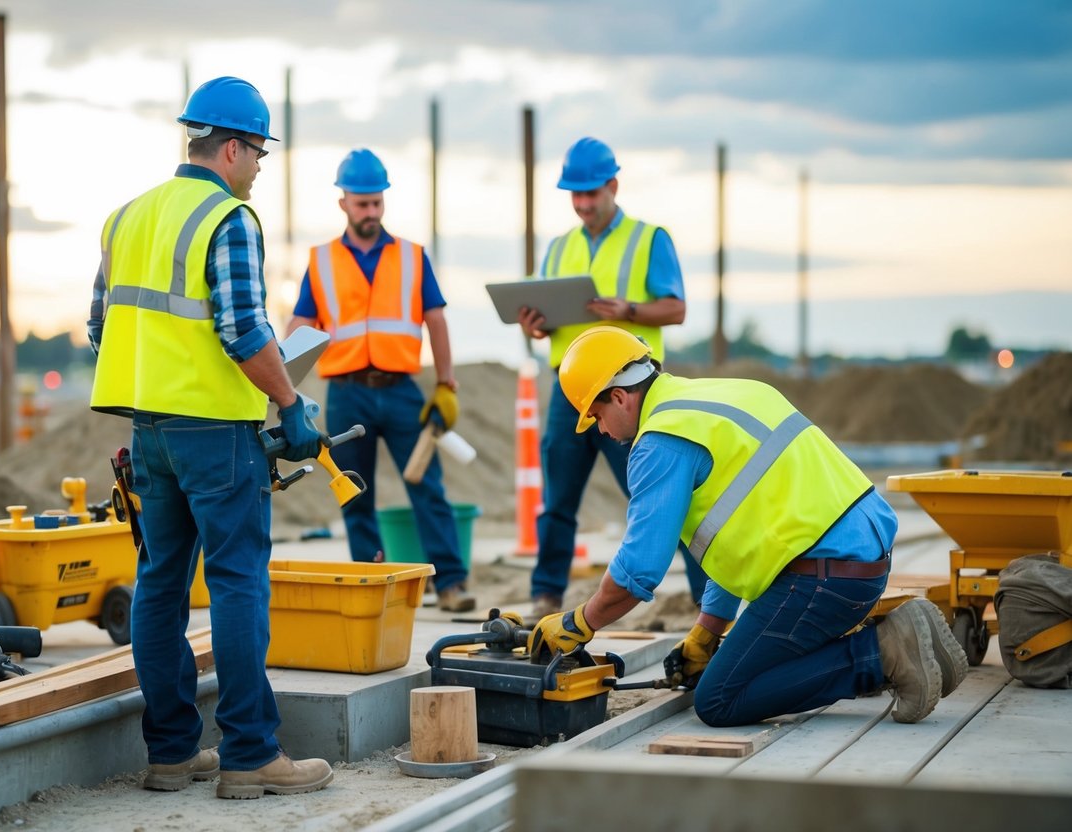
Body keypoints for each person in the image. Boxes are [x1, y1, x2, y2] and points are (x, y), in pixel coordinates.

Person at [88, 76, 333, 799]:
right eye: (257, 153)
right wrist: (289, 401)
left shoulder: (126, 217)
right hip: (215, 433)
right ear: (230, 148)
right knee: (235, 582)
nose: (258, 167)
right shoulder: (227, 218)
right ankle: (251, 755)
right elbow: (240, 330)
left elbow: (103, 328)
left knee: (160, 584)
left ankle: (171, 753)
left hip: (148, 432)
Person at [526, 326, 970, 726]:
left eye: (596, 417)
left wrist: (580, 622)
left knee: (719, 698)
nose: (601, 431)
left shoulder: (660, 441)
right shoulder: (725, 395)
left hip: (826, 577)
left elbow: (639, 570)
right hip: (860, 560)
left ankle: (881, 654)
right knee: (742, 667)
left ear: (619, 397)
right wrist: (707, 633)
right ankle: (907, 641)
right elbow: (737, 536)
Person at [517, 136, 704, 618]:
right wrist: (536, 326)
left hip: (628, 392)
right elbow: (550, 325)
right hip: (570, 392)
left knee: (662, 494)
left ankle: (708, 596)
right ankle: (546, 593)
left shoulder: (648, 239)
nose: (582, 204)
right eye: (575, 195)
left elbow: (677, 308)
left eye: (591, 194)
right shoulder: (559, 249)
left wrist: (630, 310)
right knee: (557, 500)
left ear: (612, 187)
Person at [285, 148, 475, 613]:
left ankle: (450, 584)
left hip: (402, 391)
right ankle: (371, 585)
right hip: (347, 391)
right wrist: (283, 388)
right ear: (343, 203)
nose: (370, 211)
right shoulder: (323, 260)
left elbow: (436, 320)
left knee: (427, 488)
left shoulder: (411, 256)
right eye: (361, 203)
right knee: (353, 490)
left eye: (376, 202)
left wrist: (446, 385)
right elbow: (300, 326)